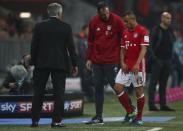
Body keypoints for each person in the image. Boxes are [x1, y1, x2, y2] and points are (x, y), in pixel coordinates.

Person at [30, 3, 78, 128]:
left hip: (42, 63)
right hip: (60, 63)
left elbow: (34, 46)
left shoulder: (39, 26)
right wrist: (75, 64)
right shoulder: (66, 27)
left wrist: (32, 62)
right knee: (59, 93)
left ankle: (35, 121)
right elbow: (71, 48)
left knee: (38, 92)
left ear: (48, 12)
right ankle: (56, 121)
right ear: (59, 13)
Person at [85, 1, 126, 124]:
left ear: (109, 10)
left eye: (107, 12)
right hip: (97, 61)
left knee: (116, 86)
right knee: (97, 87)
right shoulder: (93, 22)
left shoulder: (117, 20)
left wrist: (123, 56)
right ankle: (98, 116)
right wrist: (89, 58)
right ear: (98, 13)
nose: (106, 16)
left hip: (111, 60)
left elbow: (125, 36)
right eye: (103, 14)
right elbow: (91, 42)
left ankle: (131, 110)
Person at [114, 11, 149, 125]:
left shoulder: (143, 31)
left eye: (127, 21)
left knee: (138, 91)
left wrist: (137, 64)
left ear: (133, 20)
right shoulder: (124, 32)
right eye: (124, 21)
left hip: (138, 66)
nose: (125, 24)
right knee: (117, 87)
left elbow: (144, 49)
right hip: (126, 65)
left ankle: (139, 118)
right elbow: (123, 50)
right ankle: (130, 112)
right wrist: (122, 63)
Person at [148, 12, 175, 111]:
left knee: (163, 84)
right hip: (157, 60)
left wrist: (171, 59)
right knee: (153, 83)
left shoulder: (170, 31)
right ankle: (151, 104)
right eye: (167, 18)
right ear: (162, 18)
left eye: (170, 18)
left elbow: (172, 43)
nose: (169, 20)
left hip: (167, 60)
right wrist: (154, 58)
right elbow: (149, 45)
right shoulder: (155, 30)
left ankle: (163, 104)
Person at [76, 25, 94, 102]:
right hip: (83, 63)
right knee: (84, 80)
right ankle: (87, 95)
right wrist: (87, 60)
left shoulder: (91, 40)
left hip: (91, 63)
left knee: (90, 80)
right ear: (83, 31)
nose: (88, 31)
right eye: (87, 30)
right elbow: (81, 52)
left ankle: (91, 95)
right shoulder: (80, 40)